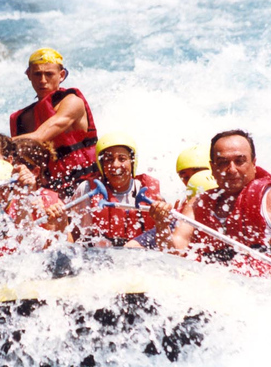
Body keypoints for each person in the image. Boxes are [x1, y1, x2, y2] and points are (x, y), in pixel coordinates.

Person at [151, 130, 271, 278]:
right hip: (218, 287)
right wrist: (161, 224)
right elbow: (174, 252)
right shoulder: (198, 204)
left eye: (239, 161)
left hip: (269, 287)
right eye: (223, 163)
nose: (232, 169)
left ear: (253, 164)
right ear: (213, 167)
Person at [10, 48, 98, 198]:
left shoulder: (73, 102)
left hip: (88, 187)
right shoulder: (21, 119)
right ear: (28, 75)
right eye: (37, 74)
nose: (43, 80)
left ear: (61, 75)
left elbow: (39, 136)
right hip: (50, 192)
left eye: (49, 74)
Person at [69, 132, 163, 247]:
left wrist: (163, 219)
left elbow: (161, 238)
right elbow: (74, 236)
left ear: (132, 162)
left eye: (122, 159)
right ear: (101, 164)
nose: (115, 165)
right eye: (109, 159)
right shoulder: (87, 190)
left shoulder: (148, 191)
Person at [125, 144, 217, 249]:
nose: (192, 180)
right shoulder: (180, 212)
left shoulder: (231, 199)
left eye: (197, 172)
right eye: (185, 177)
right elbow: (132, 246)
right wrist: (162, 223)